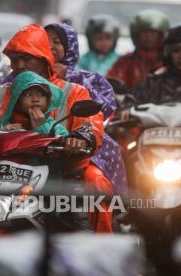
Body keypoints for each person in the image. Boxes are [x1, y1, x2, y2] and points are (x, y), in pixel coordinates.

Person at [0, 24, 113, 232]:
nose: (19, 65)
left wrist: (80, 138)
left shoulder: (74, 92)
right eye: (14, 59)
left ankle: (100, 255)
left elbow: (90, 126)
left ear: (44, 59)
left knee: (95, 182)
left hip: (62, 171)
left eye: (26, 59)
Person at [44, 22, 127, 197]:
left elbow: (105, 107)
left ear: (70, 47)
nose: (50, 46)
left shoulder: (88, 78)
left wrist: (69, 75)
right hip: (30, 148)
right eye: (45, 40)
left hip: (78, 149)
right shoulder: (21, 74)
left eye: (57, 41)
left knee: (95, 181)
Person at [131, 24, 181, 105]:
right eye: (176, 51)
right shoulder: (152, 83)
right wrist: (126, 110)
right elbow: (130, 101)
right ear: (167, 53)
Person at [107, 9, 170, 90]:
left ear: (162, 35)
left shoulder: (170, 62)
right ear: (135, 34)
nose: (149, 36)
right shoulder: (125, 61)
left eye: (153, 32)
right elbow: (110, 85)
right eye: (144, 32)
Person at [0, 70, 69, 136]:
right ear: (16, 100)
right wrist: (3, 133)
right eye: (28, 95)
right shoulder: (7, 124)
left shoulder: (56, 128)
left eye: (41, 95)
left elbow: (60, 143)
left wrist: (41, 127)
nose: (35, 99)